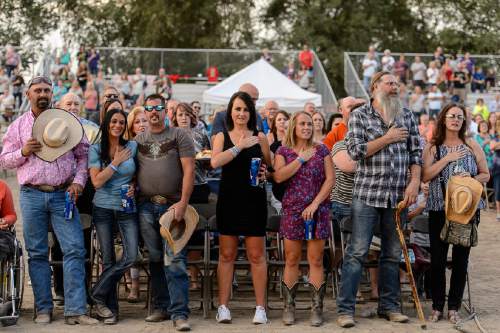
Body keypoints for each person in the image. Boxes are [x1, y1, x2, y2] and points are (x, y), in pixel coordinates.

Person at [0, 76, 97, 325]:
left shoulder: (68, 122)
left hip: (62, 194)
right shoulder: (18, 127)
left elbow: (83, 156)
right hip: (31, 194)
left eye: (46, 89)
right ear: (29, 94)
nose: (42, 93)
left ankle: (76, 309)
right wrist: (23, 152)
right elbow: (4, 160)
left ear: (51, 93)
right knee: (37, 252)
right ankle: (43, 308)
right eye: (37, 90)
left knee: (75, 248)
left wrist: (78, 182)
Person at [337, 71, 422, 328]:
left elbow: (416, 153)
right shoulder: (360, 116)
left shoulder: (407, 115)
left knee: (392, 253)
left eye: (397, 83)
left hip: (397, 196)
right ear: (375, 87)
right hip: (367, 195)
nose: (394, 87)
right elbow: (355, 151)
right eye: (389, 83)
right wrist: (387, 138)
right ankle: (345, 310)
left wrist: (415, 182)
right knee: (357, 252)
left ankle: (389, 307)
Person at [422, 103, 489, 324]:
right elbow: (425, 175)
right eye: (452, 116)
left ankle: (454, 307)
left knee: (461, 260)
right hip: (439, 208)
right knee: (438, 261)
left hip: (466, 210)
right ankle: (437, 306)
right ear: (443, 119)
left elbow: (485, 174)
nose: (456, 120)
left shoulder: (471, 144)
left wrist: (467, 182)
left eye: (460, 117)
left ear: (464, 121)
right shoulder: (433, 147)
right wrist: (446, 160)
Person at [210, 91, 272, 325]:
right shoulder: (221, 136)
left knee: (257, 255)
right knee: (227, 255)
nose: (241, 113)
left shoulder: (261, 136)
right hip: (229, 199)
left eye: (245, 109)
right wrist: (239, 146)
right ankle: (223, 307)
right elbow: (215, 162)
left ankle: (260, 308)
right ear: (230, 111)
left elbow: (270, 165)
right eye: (237, 109)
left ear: (251, 112)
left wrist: (267, 171)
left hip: (254, 199)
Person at [135, 94, 195, 331]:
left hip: (173, 207)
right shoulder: (137, 140)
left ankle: (180, 313)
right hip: (146, 207)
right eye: (149, 108)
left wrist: (182, 202)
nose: (154, 112)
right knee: (156, 259)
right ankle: (161, 307)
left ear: (165, 112)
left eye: (158, 107)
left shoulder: (179, 135)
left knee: (176, 260)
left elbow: (189, 170)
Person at [273, 111, 334, 326]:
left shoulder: (322, 149)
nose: (307, 127)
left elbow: (330, 179)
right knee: (291, 259)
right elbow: (279, 176)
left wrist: (316, 203)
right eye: (302, 124)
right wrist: (300, 159)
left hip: (318, 210)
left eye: (309, 123)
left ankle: (316, 308)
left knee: (316, 260)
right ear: (294, 127)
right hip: (292, 210)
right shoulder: (283, 151)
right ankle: (289, 307)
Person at [88, 108, 139, 325]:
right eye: (114, 121)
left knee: (132, 256)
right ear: (107, 123)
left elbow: (137, 174)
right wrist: (115, 162)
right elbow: (97, 182)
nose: (117, 125)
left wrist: (134, 186)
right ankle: (109, 310)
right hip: (103, 208)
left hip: (126, 207)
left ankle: (96, 294)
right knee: (108, 260)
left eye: (121, 122)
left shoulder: (132, 146)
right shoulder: (95, 150)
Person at [173, 103, 211, 203]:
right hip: (176, 187)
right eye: (180, 115)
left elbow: (209, 159)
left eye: (187, 114)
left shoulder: (201, 135)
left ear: (192, 116)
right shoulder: (170, 137)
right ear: (175, 118)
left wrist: (207, 162)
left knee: (199, 217)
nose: (184, 118)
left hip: (199, 186)